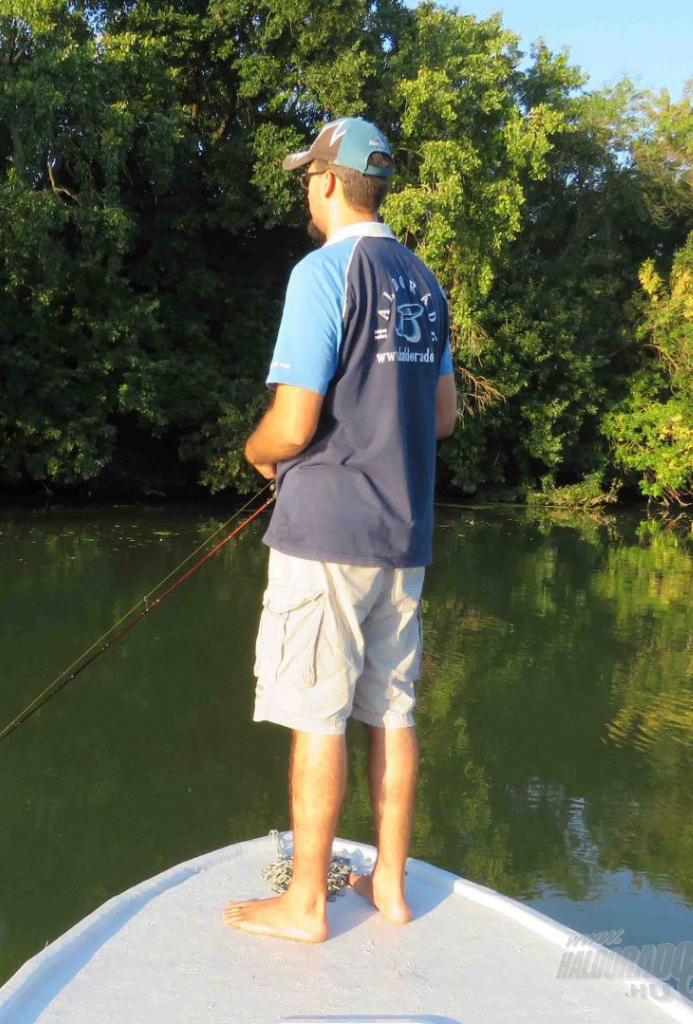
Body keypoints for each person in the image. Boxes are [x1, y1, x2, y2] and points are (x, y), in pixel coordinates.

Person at [222, 117, 458, 943]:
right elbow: (443, 416)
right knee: (392, 711)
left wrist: (254, 453)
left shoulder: (322, 272)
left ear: (327, 182)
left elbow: (291, 425)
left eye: (306, 179)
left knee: (315, 715)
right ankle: (388, 887)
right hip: (405, 541)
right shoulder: (426, 283)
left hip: (324, 539)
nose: (306, 193)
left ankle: (308, 904)